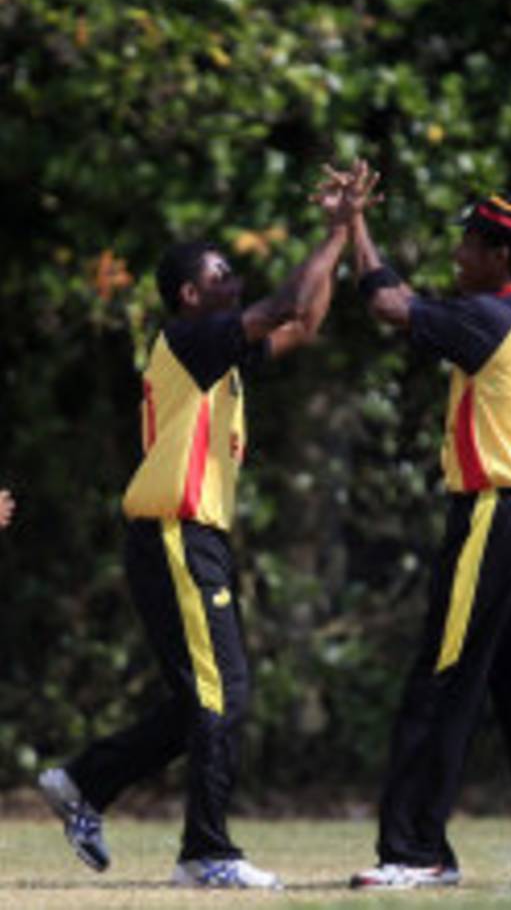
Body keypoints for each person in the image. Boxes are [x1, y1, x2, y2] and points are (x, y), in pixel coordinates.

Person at [36, 170, 359, 889]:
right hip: (175, 535)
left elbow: (305, 324)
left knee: (199, 699)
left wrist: (345, 236)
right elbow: (284, 305)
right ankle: (205, 852)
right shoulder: (190, 339)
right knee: (223, 695)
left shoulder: (221, 355)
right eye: (221, 273)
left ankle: (87, 782)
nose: (234, 277)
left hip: (191, 541)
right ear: (190, 294)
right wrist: (336, 229)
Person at [340, 172, 511, 891]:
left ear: (500, 256)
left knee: (442, 679)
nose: (458, 253)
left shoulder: (488, 321)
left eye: (469, 242)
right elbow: (405, 301)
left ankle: (415, 851)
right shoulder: (510, 314)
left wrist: (353, 224)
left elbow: (386, 302)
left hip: (493, 517)